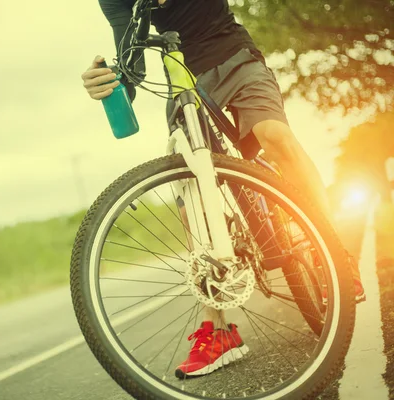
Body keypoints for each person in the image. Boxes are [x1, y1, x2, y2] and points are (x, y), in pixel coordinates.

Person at [81, 0, 367, 378]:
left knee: (274, 136)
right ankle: (217, 329)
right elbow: (131, 65)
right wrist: (110, 84)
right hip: (183, 80)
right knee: (190, 191)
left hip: (235, 58)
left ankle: (335, 255)